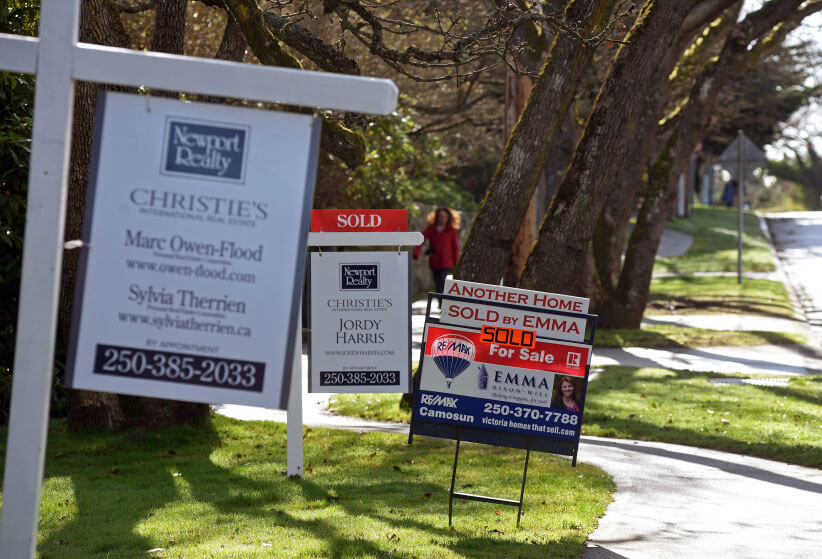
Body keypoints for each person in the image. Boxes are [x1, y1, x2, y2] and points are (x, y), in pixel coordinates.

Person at [413, 206, 460, 296]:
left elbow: (455, 248)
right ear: (436, 217)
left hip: (447, 262)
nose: (442, 219)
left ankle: (443, 302)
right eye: (440, 216)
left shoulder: (451, 230)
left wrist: (456, 264)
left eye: (444, 217)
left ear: (448, 218)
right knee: (438, 284)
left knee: (444, 281)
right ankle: (440, 303)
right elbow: (421, 239)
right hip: (435, 262)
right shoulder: (431, 229)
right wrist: (416, 252)